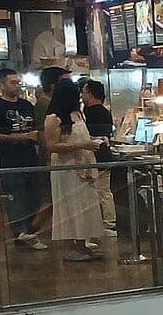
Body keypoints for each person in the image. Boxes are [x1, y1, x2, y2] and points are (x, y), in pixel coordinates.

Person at [41, 78, 104, 262]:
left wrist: (94, 140)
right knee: (69, 205)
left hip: (83, 164)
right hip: (66, 168)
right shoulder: (53, 118)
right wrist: (82, 145)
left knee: (85, 204)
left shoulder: (78, 113)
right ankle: (70, 246)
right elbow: (51, 146)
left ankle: (82, 243)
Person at [0, 68, 47, 249]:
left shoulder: (27, 105)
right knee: (16, 196)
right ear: (2, 85)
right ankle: (19, 230)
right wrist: (17, 137)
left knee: (34, 196)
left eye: (18, 82)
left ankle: (29, 230)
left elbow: (36, 128)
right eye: (12, 82)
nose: (16, 86)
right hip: (9, 159)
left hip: (30, 157)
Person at [80, 78, 118, 233]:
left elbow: (91, 137)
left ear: (90, 94)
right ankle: (107, 222)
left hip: (97, 158)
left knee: (101, 191)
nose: (81, 96)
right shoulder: (104, 111)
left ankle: (108, 223)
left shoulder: (90, 113)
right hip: (104, 156)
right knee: (104, 191)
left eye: (83, 92)